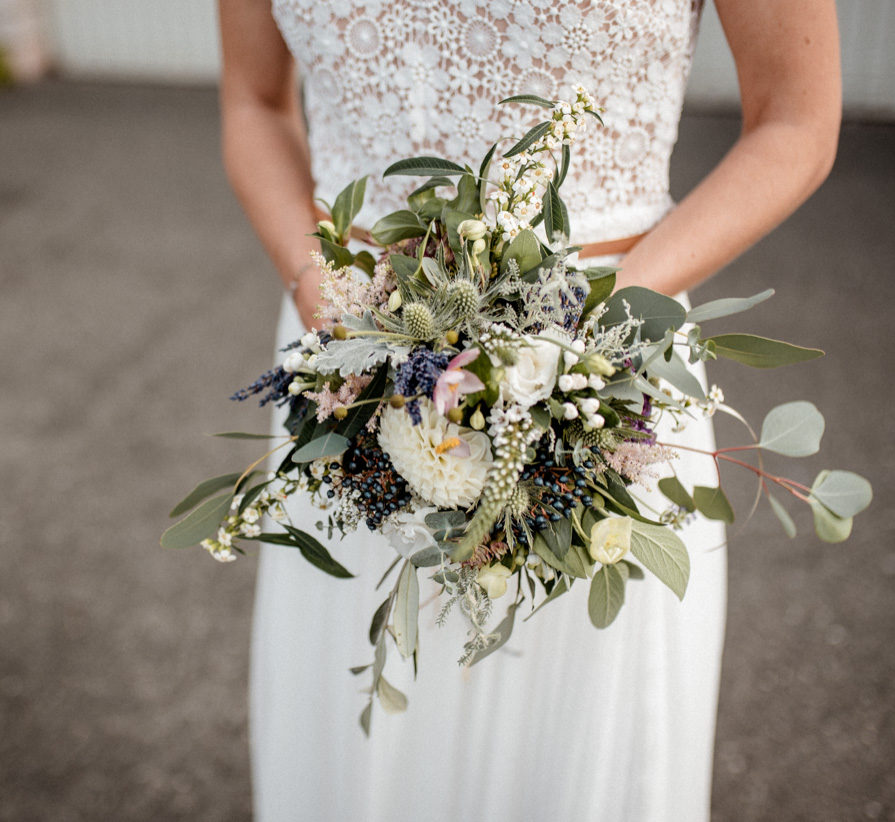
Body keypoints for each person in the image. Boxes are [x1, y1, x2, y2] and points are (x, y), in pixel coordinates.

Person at [217, 2, 841, 820]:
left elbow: (797, 119)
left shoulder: (594, 361)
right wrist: (328, 305)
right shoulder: (345, 341)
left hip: (605, 372)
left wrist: (579, 351)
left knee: (576, 745)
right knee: (366, 707)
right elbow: (252, 102)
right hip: (354, 367)